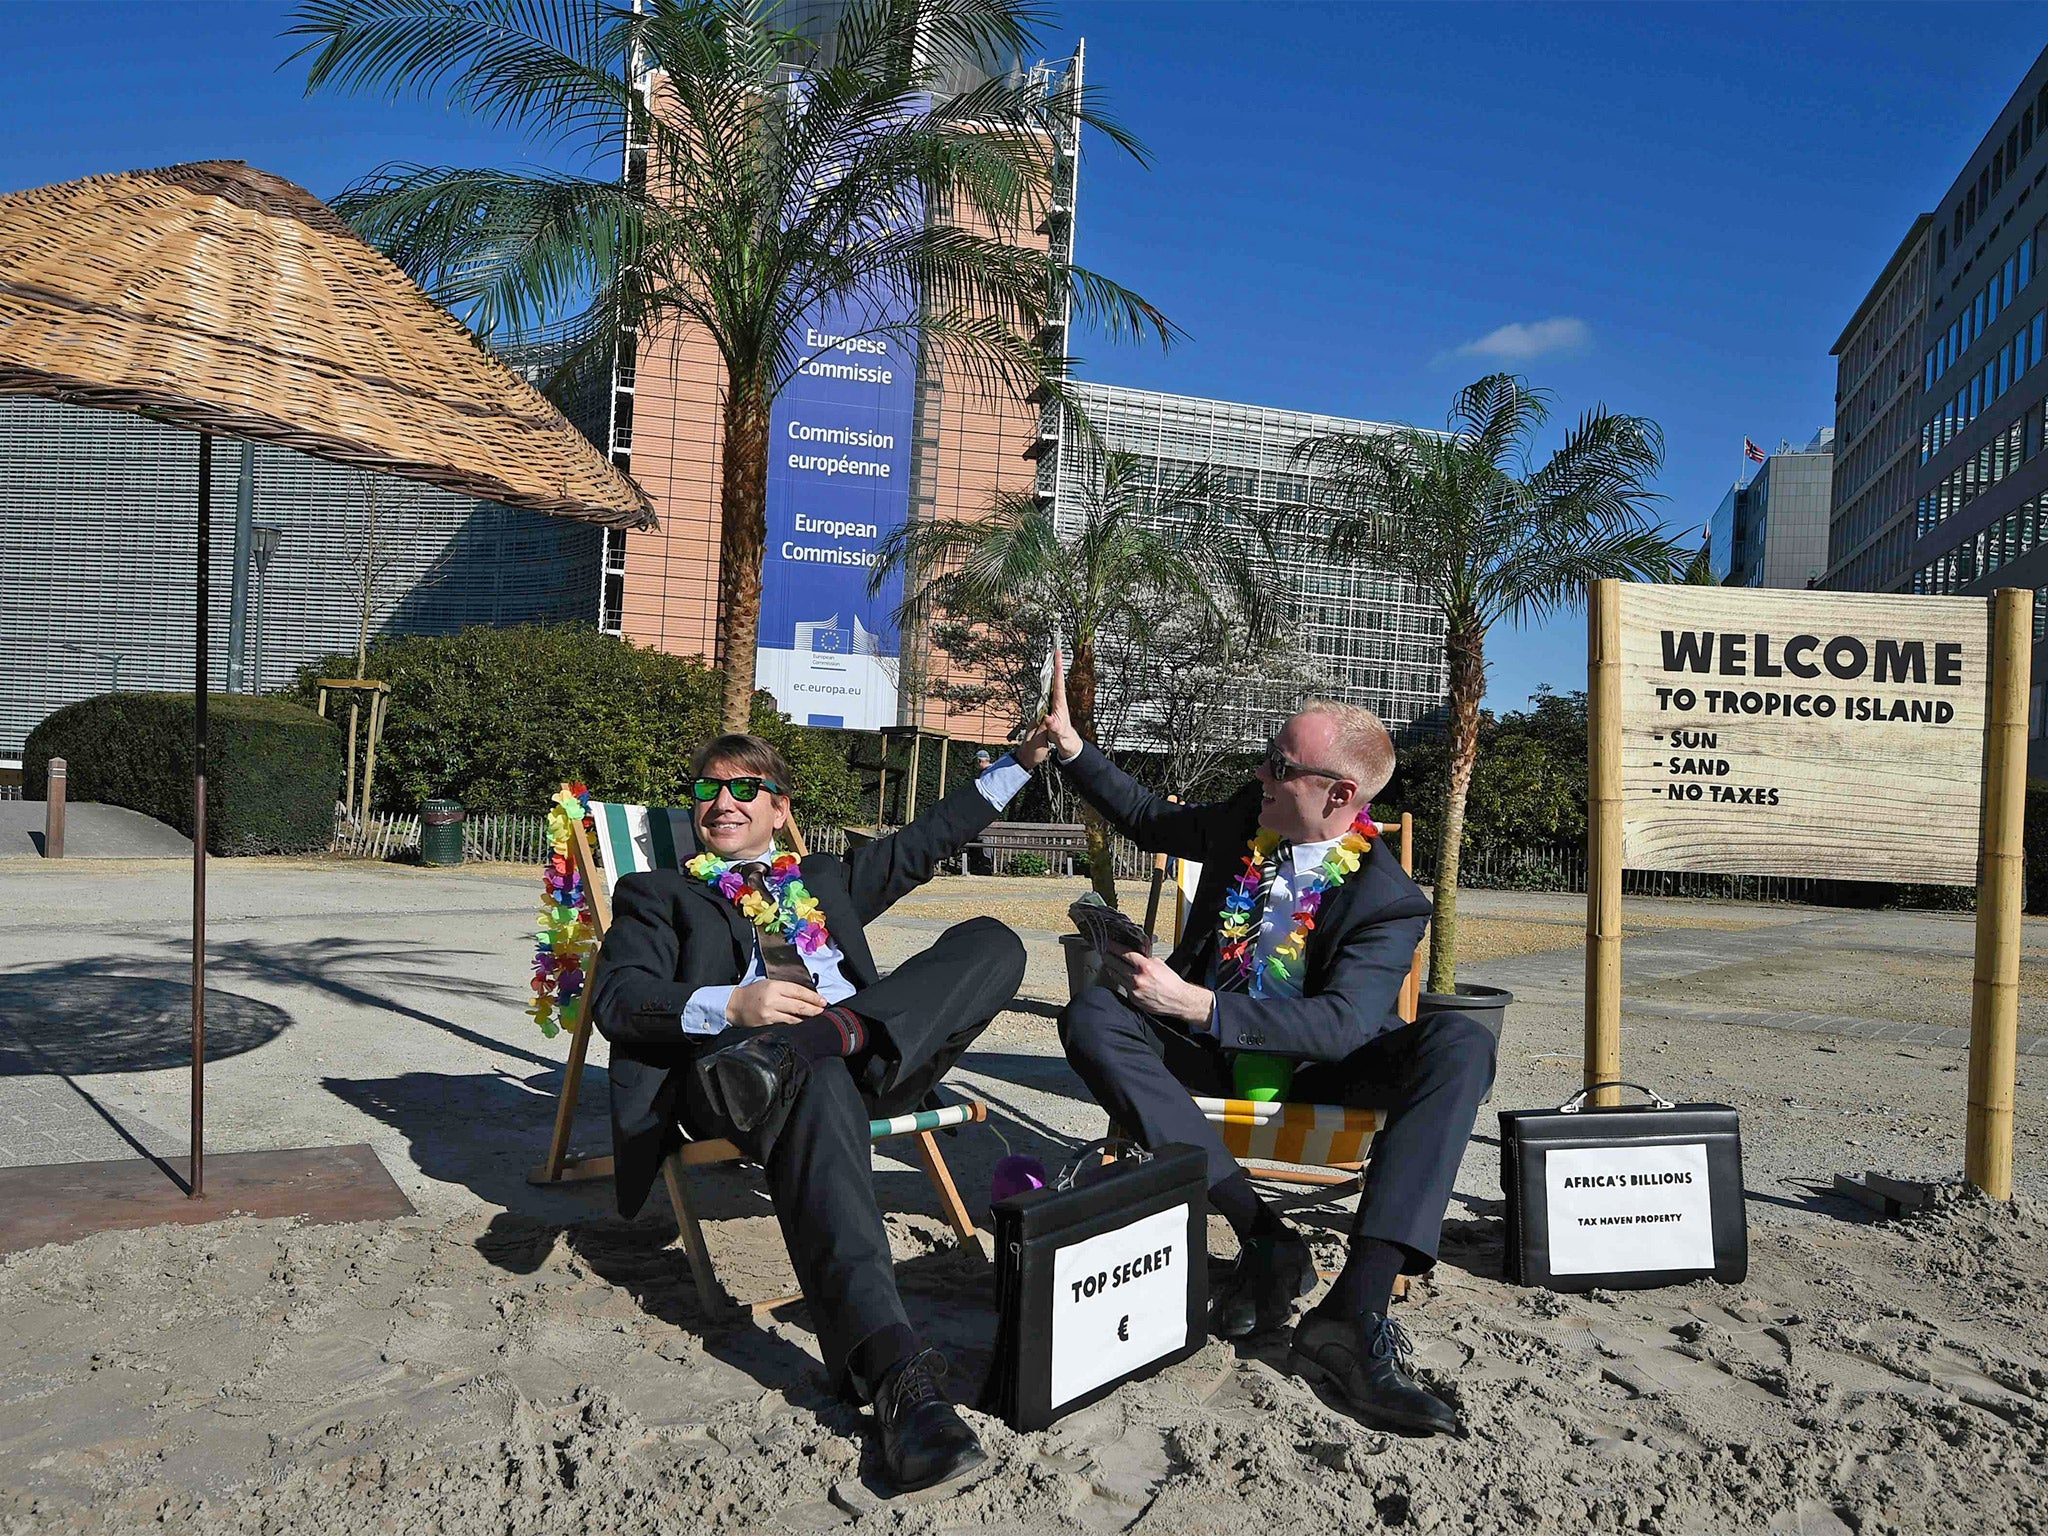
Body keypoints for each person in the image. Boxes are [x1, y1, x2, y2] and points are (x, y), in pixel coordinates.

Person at [588, 728, 1053, 1492]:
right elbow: (619, 999)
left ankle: (830, 1035)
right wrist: (734, 1003)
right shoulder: (659, 896)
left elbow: (927, 838)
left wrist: (1022, 766)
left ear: (779, 809)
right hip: (736, 1079)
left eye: (744, 788)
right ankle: (894, 1370)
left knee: (993, 942)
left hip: (868, 1054)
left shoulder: (824, 879)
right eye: (707, 788)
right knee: (817, 1079)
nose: (723, 801)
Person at [1042, 656, 1494, 1437]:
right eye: (1265, 755)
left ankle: (1356, 1309)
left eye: (1280, 765)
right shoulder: (1245, 817)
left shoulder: (1388, 901)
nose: (1260, 772)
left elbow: (1344, 1025)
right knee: (1091, 1017)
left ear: (1339, 795)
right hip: (1207, 1048)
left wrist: (1199, 1001)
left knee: (1458, 1042)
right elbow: (1150, 817)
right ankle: (1265, 1237)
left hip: (1325, 1070)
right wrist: (1071, 745)